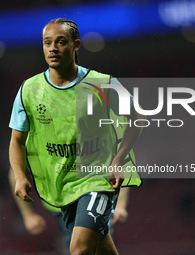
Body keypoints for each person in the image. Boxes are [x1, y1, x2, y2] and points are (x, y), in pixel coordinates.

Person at [9, 18, 145, 255]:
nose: (53, 48)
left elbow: (137, 118)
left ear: (76, 45)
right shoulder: (29, 91)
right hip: (62, 186)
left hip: (98, 179)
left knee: (79, 249)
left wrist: (119, 158)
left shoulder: (102, 84)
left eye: (61, 42)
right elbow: (17, 141)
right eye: (47, 43)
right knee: (102, 250)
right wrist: (20, 176)